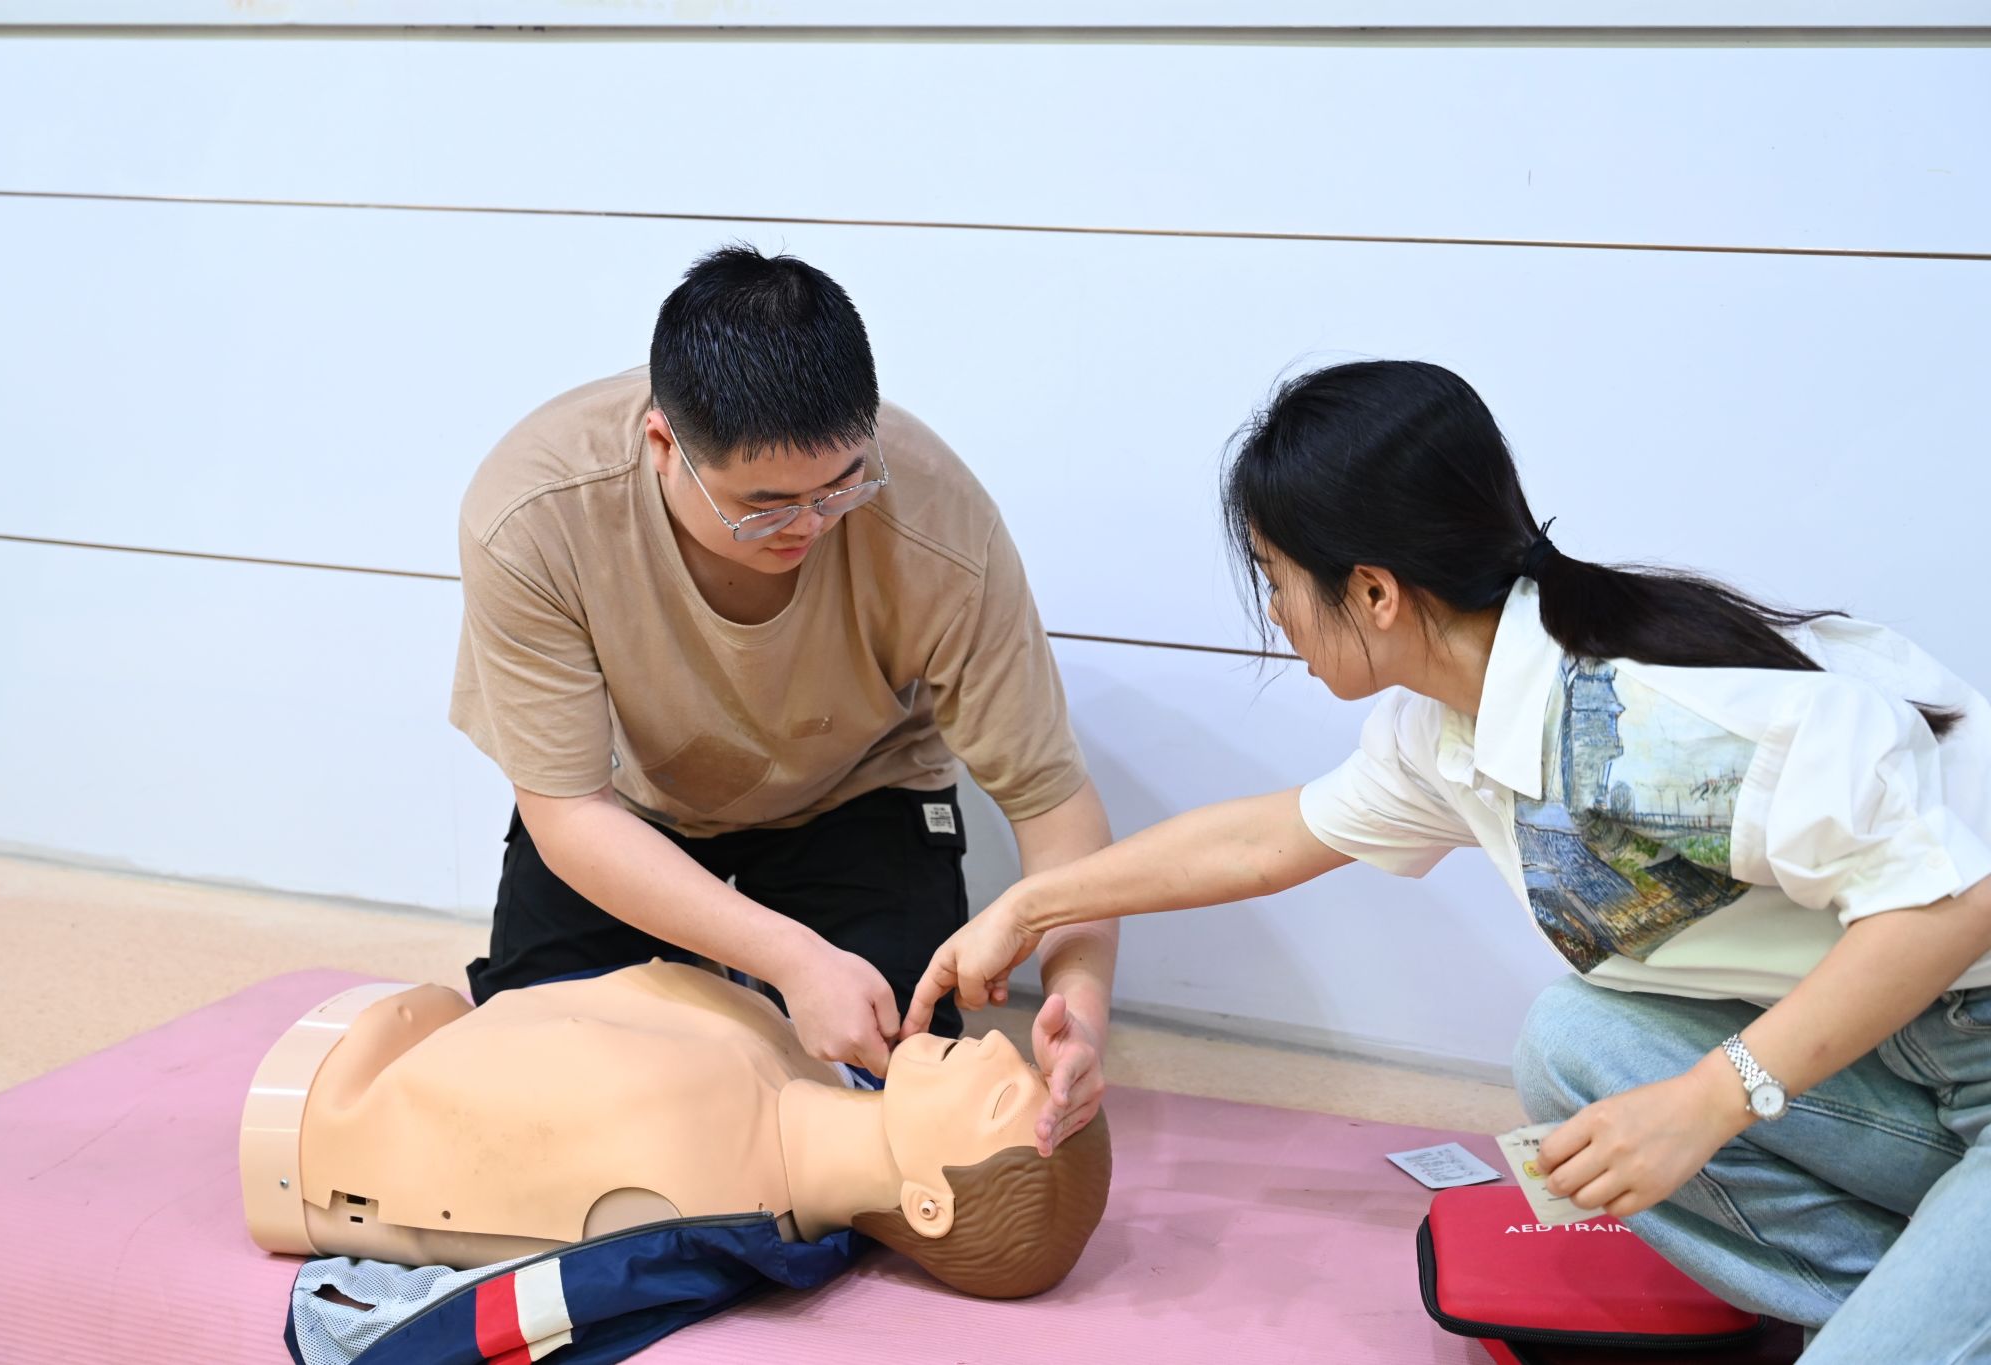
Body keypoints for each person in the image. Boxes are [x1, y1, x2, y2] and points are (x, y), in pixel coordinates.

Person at [902, 360, 1991, 1361]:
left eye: (1276, 579)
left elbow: (1958, 903)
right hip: (1897, 1055)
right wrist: (1029, 907)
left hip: (1961, 1024)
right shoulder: (1455, 727)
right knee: (1572, 1043)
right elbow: (1266, 841)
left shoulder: (1645, 723)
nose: (1274, 614)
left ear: (1373, 592)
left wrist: (1710, 1098)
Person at [450, 245, 1115, 1153]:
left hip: (856, 788)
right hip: (630, 810)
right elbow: (568, 811)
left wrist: (1082, 1010)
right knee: (530, 1086)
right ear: (662, 446)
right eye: (764, 506)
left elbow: (1051, 801)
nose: (808, 524)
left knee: (891, 1087)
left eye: (841, 485)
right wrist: (791, 957)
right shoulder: (536, 512)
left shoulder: (940, 520)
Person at [239, 961, 1111, 1300]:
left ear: (926, 1205)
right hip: (394, 1035)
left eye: (1001, 1096)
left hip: (316, 1105)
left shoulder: (695, 1190)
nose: (1000, 1045)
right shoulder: (803, 1062)